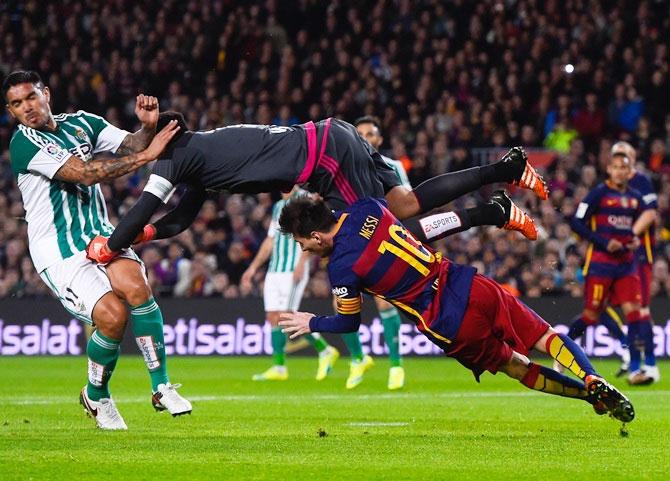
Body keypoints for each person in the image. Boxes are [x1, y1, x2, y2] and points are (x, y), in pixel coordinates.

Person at [276, 195, 635, 423]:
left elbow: (349, 322)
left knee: (516, 366)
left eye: (301, 242)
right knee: (543, 336)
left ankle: (589, 397)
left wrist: (313, 322)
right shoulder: (369, 207)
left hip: (445, 320)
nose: (304, 249)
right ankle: (592, 378)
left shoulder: (340, 267)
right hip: (466, 284)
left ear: (318, 236)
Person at [84, 110, 542, 268]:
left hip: (327, 157)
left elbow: (142, 208)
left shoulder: (172, 157)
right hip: (333, 141)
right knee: (405, 203)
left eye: (145, 139)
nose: (139, 147)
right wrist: (144, 238)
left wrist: (112, 244)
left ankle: (492, 211)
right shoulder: (196, 158)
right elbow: (181, 218)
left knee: (389, 235)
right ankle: (503, 174)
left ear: (163, 136)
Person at [3, 70, 190, 430]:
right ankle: (96, 394)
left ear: (46, 93)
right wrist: (149, 153)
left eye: (30, 97)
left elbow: (133, 145)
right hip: (59, 250)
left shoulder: (82, 123)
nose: (25, 108)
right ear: (11, 111)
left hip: (98, 234)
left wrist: (148, 129)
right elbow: (85, 174)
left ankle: (161, 386)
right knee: (112, 317)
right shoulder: (23, 144)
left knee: (137, 288)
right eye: (15, 104)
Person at [567, 150, 656, 386]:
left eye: (624, 167)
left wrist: (635, 240)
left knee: (635, 314)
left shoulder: (636, 197)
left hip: (626, 265)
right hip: (601, 264)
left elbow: (639, 229)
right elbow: (576, 222)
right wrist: (605, 242)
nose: (619, 171)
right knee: (591, 315)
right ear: (609, 170)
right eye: (615, 167)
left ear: (630, 171)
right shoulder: (598, 194)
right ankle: (562, 349)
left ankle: (636, 369)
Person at [240, 187, 341, 383]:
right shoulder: (278, 206)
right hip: (274, 269)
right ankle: (279, 367)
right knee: (272, 317)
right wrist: (252, 268)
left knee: (287, 315)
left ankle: (325, 350)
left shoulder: (304, 199)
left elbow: (310, 233)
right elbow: (270, 241)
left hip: (292, 268)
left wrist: (302, 263)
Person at [354, 115, 410, 389]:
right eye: (360, 134)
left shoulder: (393, 166)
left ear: (379, 139)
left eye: (370, 134)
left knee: (384, 302)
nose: (365, 138)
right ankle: (358, 358)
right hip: (354, 241)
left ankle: (396, 365)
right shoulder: (347, 166)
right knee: (340, 299)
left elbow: (408, 202)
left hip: (385, 239)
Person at [608, 141, 659, 384]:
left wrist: (630, 235)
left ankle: (648, 365)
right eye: (617, 158)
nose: (622, 162)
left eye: (625, 156)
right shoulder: (610, 189)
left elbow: (650, 213)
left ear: (633, 158)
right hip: (620, 259)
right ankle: (637, 365)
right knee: (630, 313)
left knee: (641, 311)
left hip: (640, 256)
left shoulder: (641, 182)